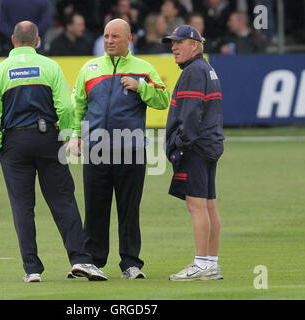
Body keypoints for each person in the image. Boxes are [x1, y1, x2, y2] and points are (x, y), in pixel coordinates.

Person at [0, 21, 107, 283]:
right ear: (37, 41)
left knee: (22, 206)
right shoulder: (50, 66)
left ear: (13, 40)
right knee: (63, 201)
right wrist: (65, 136)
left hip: (14, 143)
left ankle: (32, 269)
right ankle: (80, 260)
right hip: (48, 138)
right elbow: (65, 107)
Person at [69, 18, 170, 279]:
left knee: (129, 209)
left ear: (129, 39)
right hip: (95, 150)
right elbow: (77, 105)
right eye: (106, 36)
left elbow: (163, 99)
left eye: (115, 36)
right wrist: (75, 136)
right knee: (95, 209)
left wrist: (141, 87)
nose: (109, 41)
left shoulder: (144, 69)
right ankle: (93, 262)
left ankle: (130, 264)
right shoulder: (89, 69)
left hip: (131, 149)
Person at [162, 25, 224, 281]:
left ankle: (201, 264)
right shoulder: (205, 68)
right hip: (209, 143)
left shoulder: (193, 71)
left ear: (195, 45)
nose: (174, 47)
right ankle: (210, 263)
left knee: (196, 204)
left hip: (196, 146)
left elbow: (190, 114)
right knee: (208, 204)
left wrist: (180, 144)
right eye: (172, 43)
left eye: (180, 42)